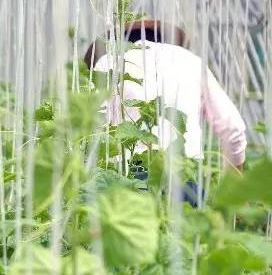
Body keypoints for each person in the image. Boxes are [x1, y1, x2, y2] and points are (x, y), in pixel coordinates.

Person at [85, 19, 247, 174]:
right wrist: (233, 180)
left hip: (128, 173)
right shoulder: (191, 62)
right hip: (184, 171)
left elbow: (91, 127)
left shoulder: (108, 63)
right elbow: (233, 128)